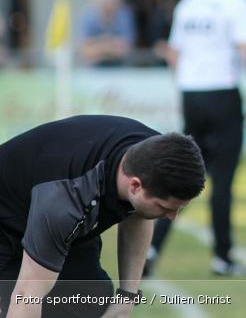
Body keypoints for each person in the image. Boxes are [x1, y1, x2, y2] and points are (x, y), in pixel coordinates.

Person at [145, 0, 246, 277]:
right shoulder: (237, 0)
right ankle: (222, 257)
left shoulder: (191, 0)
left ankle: (151, 249)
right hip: (223, 92)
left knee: (178, 173)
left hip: (192, 93)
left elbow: (174, 53)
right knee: (223, 180)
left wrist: (184, 86)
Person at [0, 115, 205, 318]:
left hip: (60, 223)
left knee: (93, 303)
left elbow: (139, 213)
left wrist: (127, 297)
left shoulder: (154, 155)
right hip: (8, 223)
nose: (172, 217)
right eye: (164, 207)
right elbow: (26, 296)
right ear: (134, 185)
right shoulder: (67, 201)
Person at [78, 0, 136, 67]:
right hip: (94, 70)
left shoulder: (124, 14)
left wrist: (97, 45)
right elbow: (85, 52)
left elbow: (125, 50)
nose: (113, 4)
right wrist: (110, 45)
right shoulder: (88, 15)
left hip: (121, 69)